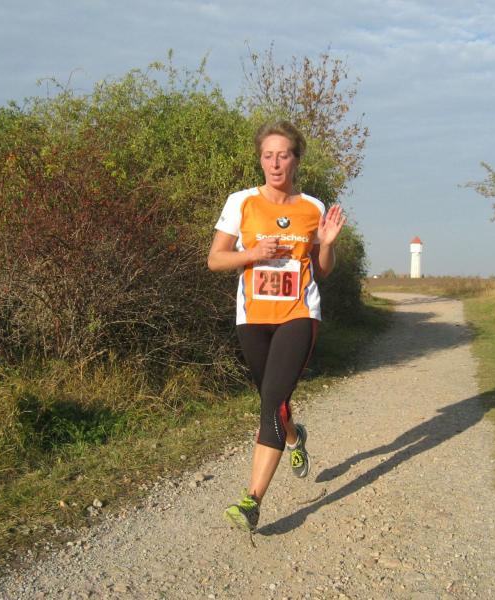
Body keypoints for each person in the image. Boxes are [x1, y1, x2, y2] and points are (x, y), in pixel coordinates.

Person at [207, 120, 346, 532]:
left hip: (298, 315)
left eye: (283, 155)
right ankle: (293, 436)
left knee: (271, 401)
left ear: (296, 160)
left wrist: (328, 244)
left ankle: (251, 502)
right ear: (260, 160)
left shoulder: (313, 208)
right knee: (272, 399)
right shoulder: (241, 202)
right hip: (253, 318)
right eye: (267, 155)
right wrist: (252, 254)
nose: (275, 163)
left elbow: (323, 269)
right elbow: (215, 259)